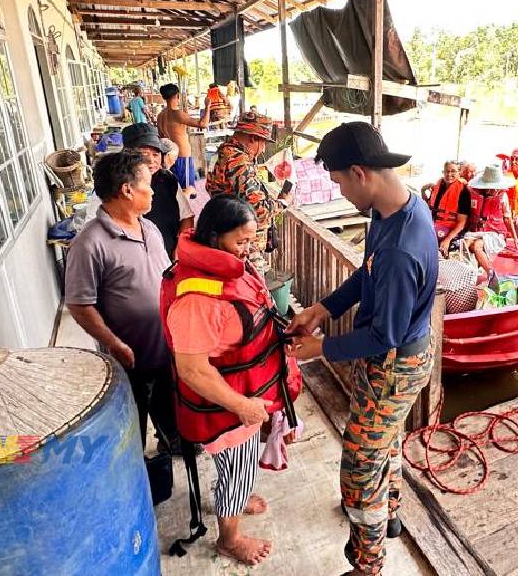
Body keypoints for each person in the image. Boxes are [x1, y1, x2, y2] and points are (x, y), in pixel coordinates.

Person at [287, 122, 438, 576]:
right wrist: (322, 308)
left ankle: (367, 565)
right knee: (383, 442)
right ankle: (390, 512)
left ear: (359, 172)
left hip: (394, 363)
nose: (342, 195)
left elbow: (382, 337)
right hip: (394, 357)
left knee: (359, 469)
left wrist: (319, 347)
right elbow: (364, 274)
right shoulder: (393, 210)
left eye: (339, 184)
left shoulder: (402, 250)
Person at [160, 194, 300, 566]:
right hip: (227, 409)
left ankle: (233, 498)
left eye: (250, 241)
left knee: (238, 467)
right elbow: (192, 369)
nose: (247, 251)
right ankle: (230, 538)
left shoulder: (225, 268)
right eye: (240, 242)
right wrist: (243, 407)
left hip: (245, 393)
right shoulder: (196, 299)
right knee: (238, 467)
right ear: (212, 236)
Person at [65, 150, 173, 452]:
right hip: (130, 360)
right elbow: (79, 304)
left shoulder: (148, 228)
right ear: (127, 190)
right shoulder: (90, 243)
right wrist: (113, 343)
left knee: (173, 421)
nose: (152, 190)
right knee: (129, 434)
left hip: (166, 352)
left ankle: (171, 445)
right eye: (147, 183)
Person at [207, 111, 292, 273]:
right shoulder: (239, 161)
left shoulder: (223, 153)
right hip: (242, 244)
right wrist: (283, 202)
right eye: (264, 142)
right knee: (253, 288)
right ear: (253, 138)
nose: (263, 148)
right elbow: (259, 209)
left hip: (226, 234)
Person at [121, 123, 194, 258]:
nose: (151, 160)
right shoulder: (117, 186)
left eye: (156, 154)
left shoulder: (167, 180)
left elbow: (187, 217)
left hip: (168, 258)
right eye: (143, 154)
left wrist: (180, 248)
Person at [462, 164, 518, 276]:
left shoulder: (502, 196)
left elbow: (507, 218)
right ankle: (470, 274)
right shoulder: (473, 193)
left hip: (495, 234)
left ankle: (491, 274)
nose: (492, 189)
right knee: (465, 244)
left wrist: (515, 238)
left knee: (477, 246)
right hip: (476, 232)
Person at [158, 83, 213, 199]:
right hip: (182, 157)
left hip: (169, 157)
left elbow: (161, 137)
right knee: (188, 191)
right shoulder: (177, 114)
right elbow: (203, 124)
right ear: (177, 96)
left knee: (173, 190)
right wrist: (208, 106)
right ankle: (185, 215)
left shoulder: (160, 116)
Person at [424, 160, 471, 257]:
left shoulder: (464, 191)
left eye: (453, 171)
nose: (449, 174)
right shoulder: (438, 186)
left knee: (427, 244)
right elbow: (430, 208)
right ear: (443, 172)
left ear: (459, 172)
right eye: (447, 171)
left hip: (449, 229)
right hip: (433, 225)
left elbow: (461, 223)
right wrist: (423, 192)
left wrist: (447, 240)